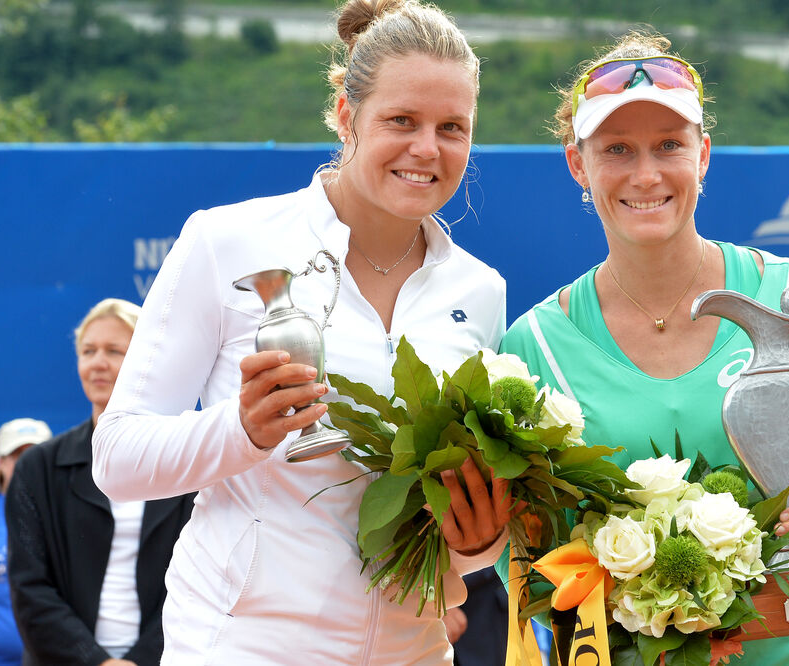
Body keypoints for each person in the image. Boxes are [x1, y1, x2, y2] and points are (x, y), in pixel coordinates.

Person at [90, 1, 511, 663]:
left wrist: (480, 539)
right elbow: (115, 459)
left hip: (413, 651)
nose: (427, 149)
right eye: (402, 120)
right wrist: (241, 430)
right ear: (347, 114)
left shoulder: (480, 291)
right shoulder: (226, 242)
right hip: (242, 645)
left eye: (452, 127)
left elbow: (461, 548)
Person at [498, 29, 789, 665]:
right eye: (618, 149)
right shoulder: (532, 345)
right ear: (579, 164)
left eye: (669, 146)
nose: (646, 174)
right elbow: (520, 553)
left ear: (703, 154)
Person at [5, 299, 195, 666]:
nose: (97, 363)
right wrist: (97, 662)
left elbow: (199, 581)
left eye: (114, 351)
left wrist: (142, 660)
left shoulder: (183, 462)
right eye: (88, 351)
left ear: (145, 360)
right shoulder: (39, 468)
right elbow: (29, 589)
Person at [0, 418, 52, 666]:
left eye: (35, 454)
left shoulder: (66, 514)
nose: (27, 464)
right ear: (1, 463)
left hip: (53, 658)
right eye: (18, 455)